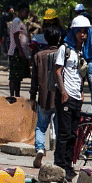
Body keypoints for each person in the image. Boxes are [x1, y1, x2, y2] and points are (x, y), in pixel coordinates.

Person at [53, 15, 89, 180]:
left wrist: (81, 92)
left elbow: (81, 74)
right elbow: (57, 71)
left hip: (76, 96)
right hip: (65, 96)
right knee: (64, 133)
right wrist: (63, 92)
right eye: (80, 32)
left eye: (85, 32)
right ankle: (60, 166)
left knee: (74, 134)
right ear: (74, 32)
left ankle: (69, 165)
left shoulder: (81, 51)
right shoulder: (64, 48)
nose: (83, 35)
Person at [30, 26, 62, 169]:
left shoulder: (38, 55)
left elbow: (34, 80)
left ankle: (40, 148)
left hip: (43, 97)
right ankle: (57, 151)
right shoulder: (63, 54)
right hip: (60, 97)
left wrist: (32, 96)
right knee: (59, 126)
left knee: (41, 127)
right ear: (59, 39)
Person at [8, 4, 31, 98]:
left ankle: (17, 94)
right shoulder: (16, 21)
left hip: (20, 51)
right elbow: (16, 36)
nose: (27, 15)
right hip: (16, 51)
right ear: (21, 11)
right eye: (26, 12)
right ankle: (12, 94)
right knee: (14, 75)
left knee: (18, 76)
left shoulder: (21, 22)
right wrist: (20, 50)